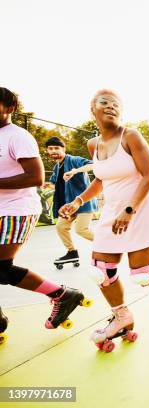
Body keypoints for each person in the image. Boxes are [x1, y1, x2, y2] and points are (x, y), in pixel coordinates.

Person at [59, 89, 149, 351]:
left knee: (142, 273)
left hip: (140, 208)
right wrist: (78, 201)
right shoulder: (94, 144)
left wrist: (129, 210)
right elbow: (101, 179)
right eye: (104, 102)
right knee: (100, 271)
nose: (111, 106)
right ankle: (121, 315)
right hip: (112, 212)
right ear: (93, 109)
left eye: (116, 104)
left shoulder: (131, 136)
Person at [0, 87, 89, 335]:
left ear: (9, 108)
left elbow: (36, 176)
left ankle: (62, 294)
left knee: (1, 268)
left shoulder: (17, 137)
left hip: (16, 210)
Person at [44, 136, 96, 267]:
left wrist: (75, 171)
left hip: (84, 202)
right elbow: (56, 183)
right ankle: (72, 253)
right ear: (47, 151)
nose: (53, 151)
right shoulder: (57, 167)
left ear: (64, 149)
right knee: (61, 227)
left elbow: (93, 164)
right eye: (50, 149)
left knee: (81, 230)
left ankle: (108, 246)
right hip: (68, 205)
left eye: (57, 148)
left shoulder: (73, 160)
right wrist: (47, 185)